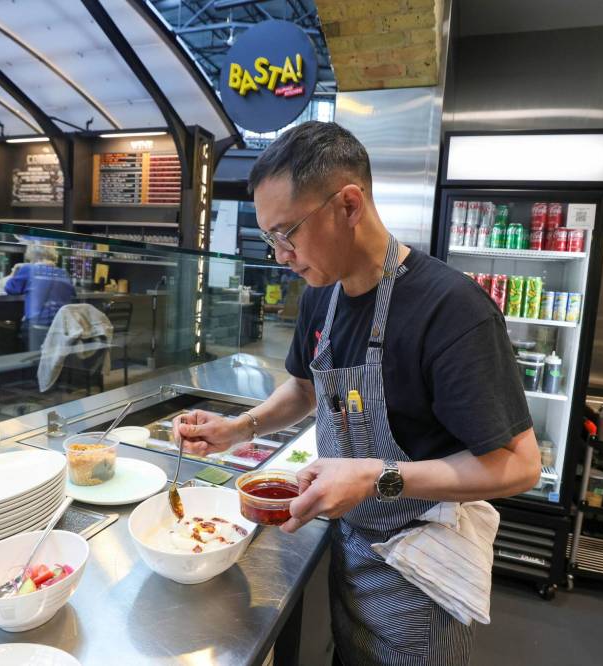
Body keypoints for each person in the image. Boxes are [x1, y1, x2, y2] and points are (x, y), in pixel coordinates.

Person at [173, 122, 540, 665]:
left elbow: (520, 465)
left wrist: (375, 476)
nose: (280, 255)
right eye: (271, 237)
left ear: (348, 205)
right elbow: (304, 388)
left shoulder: (451, 310)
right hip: (353, 545)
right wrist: (238, 428)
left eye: (287, 233)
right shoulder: (321, 295)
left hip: (422, 570)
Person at [4, 243, 76, 351]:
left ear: (32, 255)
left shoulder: (29, 269)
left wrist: (15, 272)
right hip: (61, 327)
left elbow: (10, 288)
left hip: (37, 328)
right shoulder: (63, 273)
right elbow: (73, 293)